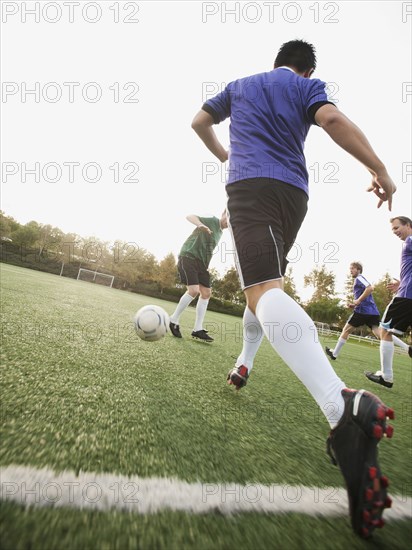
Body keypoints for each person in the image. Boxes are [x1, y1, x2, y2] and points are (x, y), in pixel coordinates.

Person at [191, 39, 396, 538]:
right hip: (294, 194)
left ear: (280, 61)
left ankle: (339, 403)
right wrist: (379, 169)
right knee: (263, 291)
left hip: (250, 186)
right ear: (307, 70)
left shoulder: (241, 85)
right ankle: (246, 359)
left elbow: (198, 122)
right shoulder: (305, 87)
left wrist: (224, 154)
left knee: (262, 291)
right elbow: (331, 120)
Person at [325, 262, 410, 360]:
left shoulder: (359, 278)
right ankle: (407, 348)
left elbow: (370, 288)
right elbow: (366, 293)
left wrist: (358, 301)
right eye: (350, 269)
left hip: (362, 311)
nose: (351, 271)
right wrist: (355, 303)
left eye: (353, 268)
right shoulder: (359, 280)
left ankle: (334, 354)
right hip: (372, 312)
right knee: (382, 334)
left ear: (358, 270)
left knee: (346, 330)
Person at [365, 216, 412, 388]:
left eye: (397, 227)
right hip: (407, 291)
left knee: (384, 330)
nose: (395, 232)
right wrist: (402, 282)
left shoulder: (409, 241)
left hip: (406, 296)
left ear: (408, 225)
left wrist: (405, 286)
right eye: (392, 229)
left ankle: (387, 376)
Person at [169, 211, 228, 341]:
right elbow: (189, 216)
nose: (229, 222)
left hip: (202, 263)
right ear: (224, 213)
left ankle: (197, 329)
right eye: (229, 218)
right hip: (189, 256)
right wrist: (200, 225)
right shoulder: (212, 220)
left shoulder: (220, 232)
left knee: (206, 293)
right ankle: (173, 319)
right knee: (194, 290)